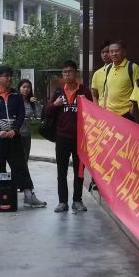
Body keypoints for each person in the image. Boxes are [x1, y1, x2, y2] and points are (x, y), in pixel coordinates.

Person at [0, 65, 46, 209]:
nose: (10, 78)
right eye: (6, 76)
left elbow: (21, 114)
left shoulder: (16, 95)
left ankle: (29, 196)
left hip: (14, 138)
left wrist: (15, 129)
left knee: (20, 166)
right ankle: (1, 199)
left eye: (10, 75)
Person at [45, 60, 92, 213]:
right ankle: (62, 202)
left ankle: (77, 200)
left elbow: (92, 114)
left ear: (75, 73)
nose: (67, 74)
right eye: (64, 72)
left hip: (80, 138)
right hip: (62, 137)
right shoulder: (59, 91)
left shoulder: (84, 91)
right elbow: (47, 111)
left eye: (70, 71)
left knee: (79, 172)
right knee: (61, 171)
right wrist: (55, 105)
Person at [101, 40, 139, 118]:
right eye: (111, 51)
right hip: (110, 113)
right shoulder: (108, 68)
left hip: (126, 113)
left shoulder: (133, 67)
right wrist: (104, 107)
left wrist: (133, 108)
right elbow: (106, 90)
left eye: (116, 51)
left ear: (124, 52)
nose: (114, 54)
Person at [17, 78, 39, 163]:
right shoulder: (14, 100)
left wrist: (36, 103)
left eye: (28, 87)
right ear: (19, 88)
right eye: (24, 87)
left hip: (27, 134)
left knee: (25, 159)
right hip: (16, 134)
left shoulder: (31, 102)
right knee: (16, 160)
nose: (26, 89)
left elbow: (39, 114)